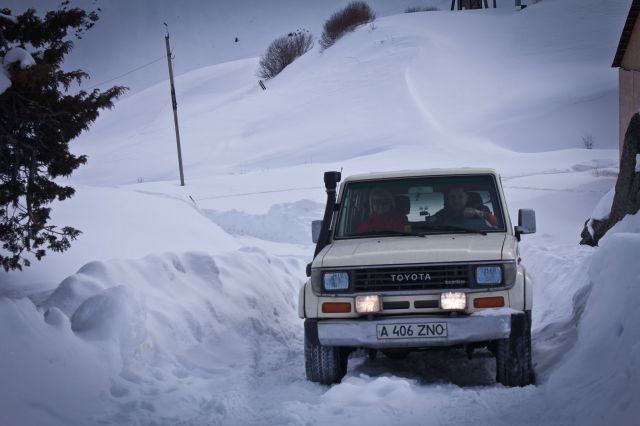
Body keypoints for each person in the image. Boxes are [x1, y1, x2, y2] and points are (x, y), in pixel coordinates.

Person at [432, 186, 497, 227]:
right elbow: (429, 226)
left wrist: (477, 212)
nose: (456, 200)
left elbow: (494, 222)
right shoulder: (441, 214)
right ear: (448, 199)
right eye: (452, 197)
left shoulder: (482, 209)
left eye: (460, 196)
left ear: (467, 197)